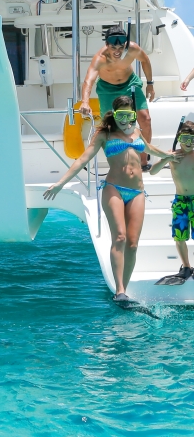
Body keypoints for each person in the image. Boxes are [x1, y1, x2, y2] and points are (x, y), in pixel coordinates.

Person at [44, 96, 178, 301]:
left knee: (133, 243)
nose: (125, 120)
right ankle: (120, 290)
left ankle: (125, 284)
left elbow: (150, 149)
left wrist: (169, 155)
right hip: (113, 189)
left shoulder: (137, 132)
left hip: (137, 192)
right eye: (121, 115)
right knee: (120, 237)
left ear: (133, 114)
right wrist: (60, 183)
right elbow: (82, 159)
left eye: (129, 114)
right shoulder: (104, 134)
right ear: (114, 114)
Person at [80, 24, 155, 170]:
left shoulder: (133, 49)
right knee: (108, 125)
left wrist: (150, 84)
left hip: (130, 83)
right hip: (107, 89)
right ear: (107, 45)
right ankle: (115, 162)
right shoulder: (100, 59)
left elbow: (145, 61)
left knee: (145, 119)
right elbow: (88, 80)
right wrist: (85, 102)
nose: (117, 51)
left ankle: (143, 159)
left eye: (121, 48)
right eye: (113, 48)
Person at [149, 120, 194, 283]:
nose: (188, 144)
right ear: (179, 138)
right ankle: (186, 267)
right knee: (179, 237)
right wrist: (166, 157)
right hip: (181, 201)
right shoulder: (172, 155)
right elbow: (153, 171)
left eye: (192, 140)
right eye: (185, 139)